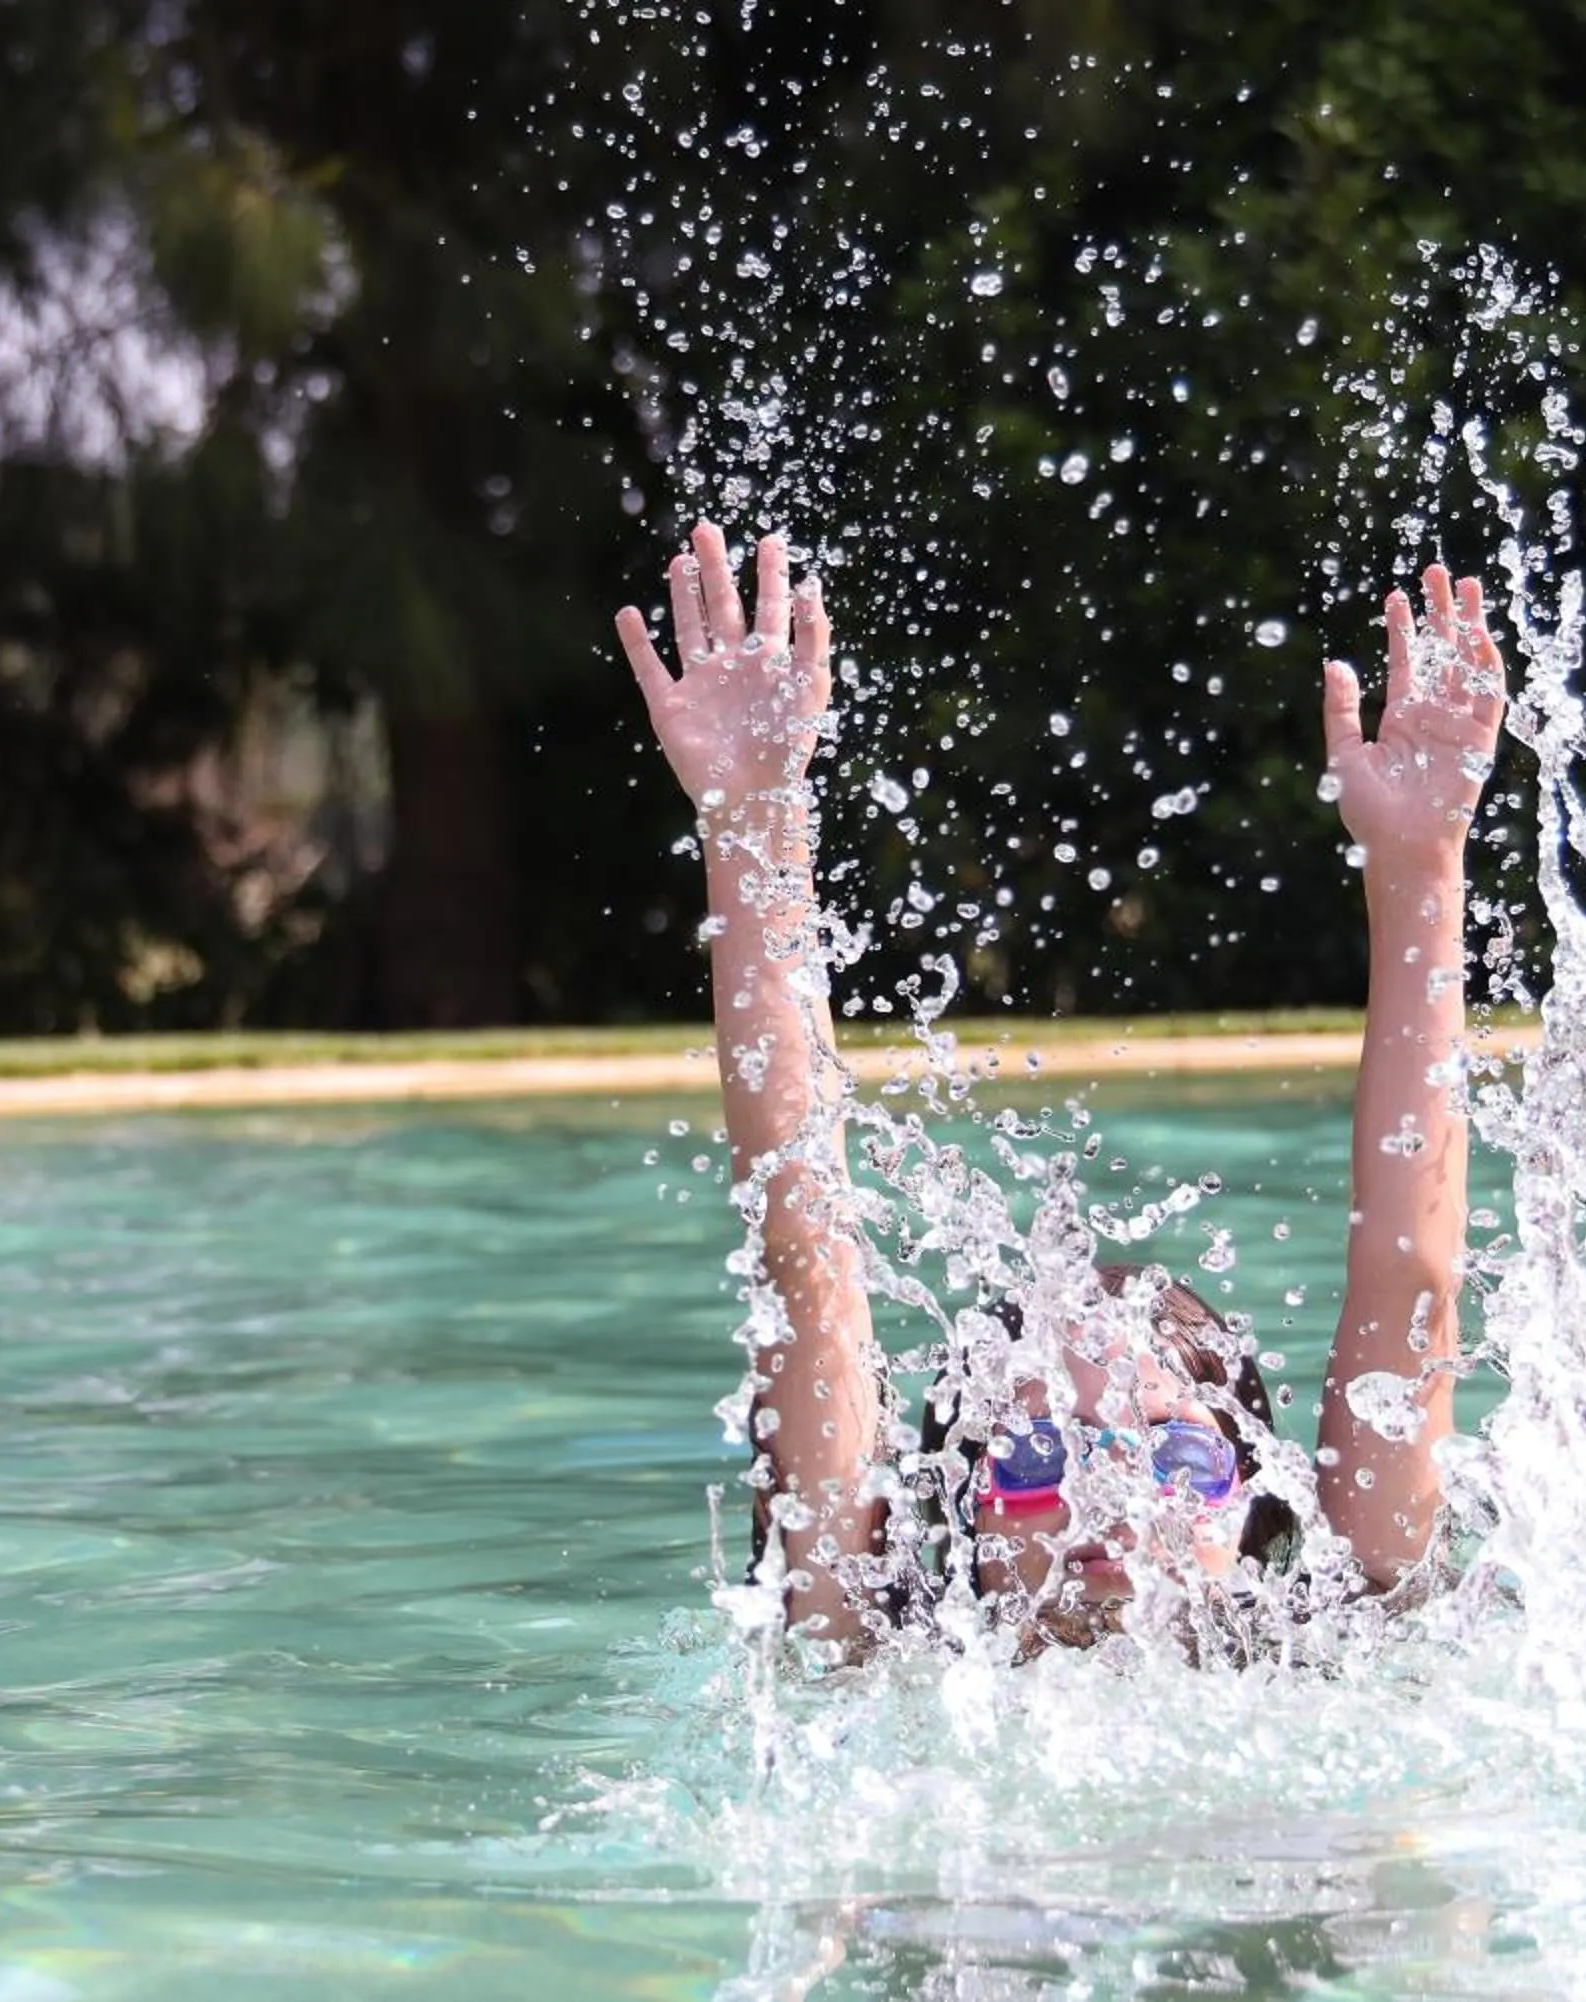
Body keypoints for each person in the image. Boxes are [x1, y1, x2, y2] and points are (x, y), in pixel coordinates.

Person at [612, 521, 1507, 1656]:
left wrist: (1423, 866)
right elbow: (803, 1255)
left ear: (1256, 1495)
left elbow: (1416, 1285)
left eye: (1178, 1453)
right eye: (1035, 1455)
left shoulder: (1331, 1632)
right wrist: (752, 817)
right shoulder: (887, 1659)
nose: (1107, 1500)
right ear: (961, 1505)